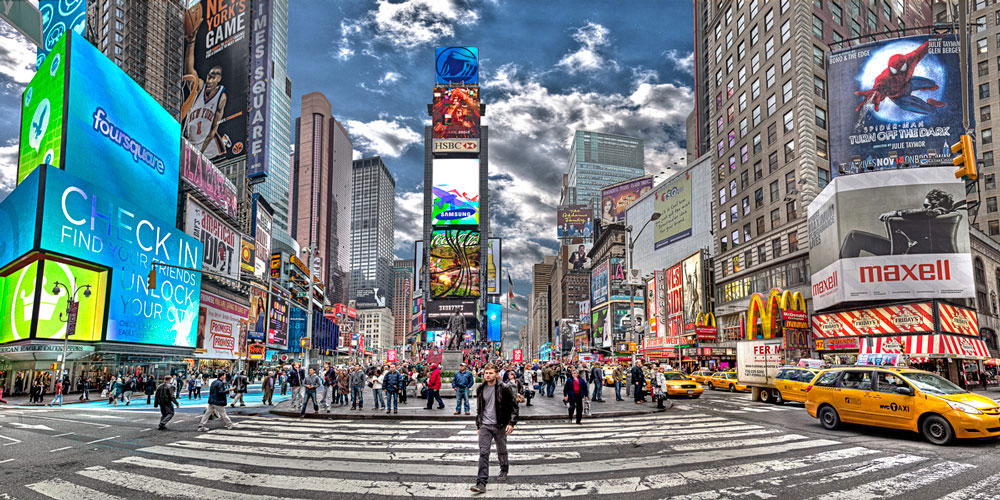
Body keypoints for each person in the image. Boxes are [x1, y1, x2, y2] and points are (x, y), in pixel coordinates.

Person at [840, 189, 960, 259]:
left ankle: (844, 275)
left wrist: (895, 213)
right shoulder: (947, 216)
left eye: (926, 205)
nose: (923, 208)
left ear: (936, 205)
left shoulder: (936, 213)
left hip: (907, 253)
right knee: (853, 236)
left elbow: (929, 212)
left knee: (853, 236)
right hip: (913, 252)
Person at [471, 364, 518, 493]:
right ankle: (481, 483)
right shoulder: (480, 388)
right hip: (485, 425)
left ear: (496, 374)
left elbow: (514, 407)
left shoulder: (504, 388)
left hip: (500, 425)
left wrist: (511, 423)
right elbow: (480, 408)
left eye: (491, 373)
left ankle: (504, 468)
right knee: (483, 453)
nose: (488, 375)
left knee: (501, 450)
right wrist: (479, 425)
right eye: (486, 373)